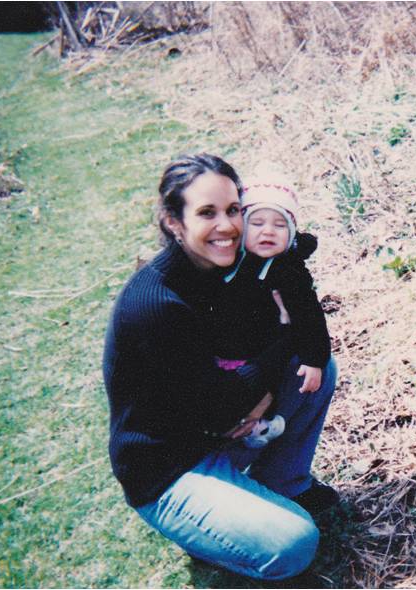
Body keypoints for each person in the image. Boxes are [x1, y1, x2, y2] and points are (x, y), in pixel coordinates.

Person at [103, 153, 337, 581]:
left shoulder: (224, 269)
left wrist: (287, 354)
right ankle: (206, 535)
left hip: (217, 427)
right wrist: (286, 337)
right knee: (294, 544)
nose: (227, 226)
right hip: (168, 467)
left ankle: (284, 484)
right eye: (207, 213)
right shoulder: (156, 304)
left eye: (233, 210)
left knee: (315, 370)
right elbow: (222, 410)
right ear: (174, 221)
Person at [209, 171, 332, 451]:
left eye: (280, 225)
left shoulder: (288, 272)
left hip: (262, 353)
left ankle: (261, 425)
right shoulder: (229, 261)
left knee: (265, 386)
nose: (268, 231)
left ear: (291, 233)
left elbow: (309, 317)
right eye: (257, 223)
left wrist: (314, 360)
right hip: (224, 353)